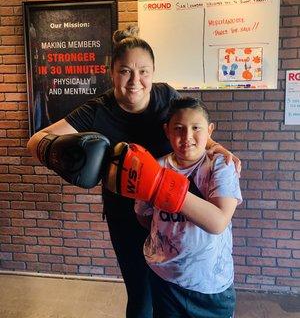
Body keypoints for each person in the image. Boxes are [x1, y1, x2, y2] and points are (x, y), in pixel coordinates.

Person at [27, 27, 241, 318]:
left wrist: (217, 147)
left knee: (170, 288)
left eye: (143, 71)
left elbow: (190, 124)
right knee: (142, 294)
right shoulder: (97, 110)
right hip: (128, 215)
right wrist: (68, 155)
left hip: (174, 211)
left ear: (153, 72)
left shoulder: (165, 96)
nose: (135, 80)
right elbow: (36, 141)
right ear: (111, 72)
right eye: (125, 71)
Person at [135, 97, 242, 318]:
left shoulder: (221, 165)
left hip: (210, 284)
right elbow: (144, 216)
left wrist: (162, 186)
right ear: (167, 131)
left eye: (196, 128)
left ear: (210, 130)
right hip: (165, 278)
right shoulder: (155, 167)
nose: (187, 137)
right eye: (179, 129)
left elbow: (218, 222)